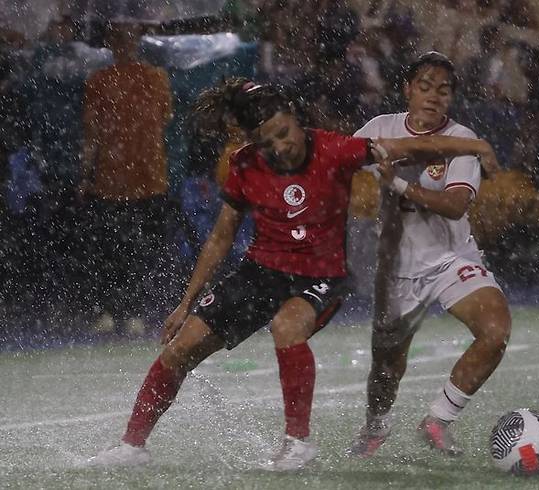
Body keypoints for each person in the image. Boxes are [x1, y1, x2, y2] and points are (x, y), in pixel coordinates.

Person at [86, 77, 499, 471]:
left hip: (321, 276)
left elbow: (411, 147)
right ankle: (132, 446)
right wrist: (185, 303)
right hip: (261, 271)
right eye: (268, 142)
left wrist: (475, 145)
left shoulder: (336, 149)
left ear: (295, 118)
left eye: (284, 132)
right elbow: (219, 239)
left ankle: (297, 443)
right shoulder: (244, 165)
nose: (281, 146)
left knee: (287, 326)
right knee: (180, 349)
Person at [347, 52, 512, 458]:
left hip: (449, 258)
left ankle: (438, 419)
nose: (433, 97)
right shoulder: (379, 128)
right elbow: (344, 172)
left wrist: (399, 187)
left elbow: (456, 205)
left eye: (443, 90)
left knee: (495, 331)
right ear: (407, 90)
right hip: (397, 271)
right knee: (387, 368)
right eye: (424, 86)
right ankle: (375, 427)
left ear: (451, 98)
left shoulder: (461, 139)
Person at [79, 20, 173, 333]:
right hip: (115, 178)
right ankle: (111, 308)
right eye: (118, 37)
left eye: (128, 37)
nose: (124, 43)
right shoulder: (102, 80)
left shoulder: (154, 78)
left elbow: (160, 120)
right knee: (112, 249)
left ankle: (132, 310)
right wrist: (85, 173)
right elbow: (92, 133)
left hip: (144, 176)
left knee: (137, 249)